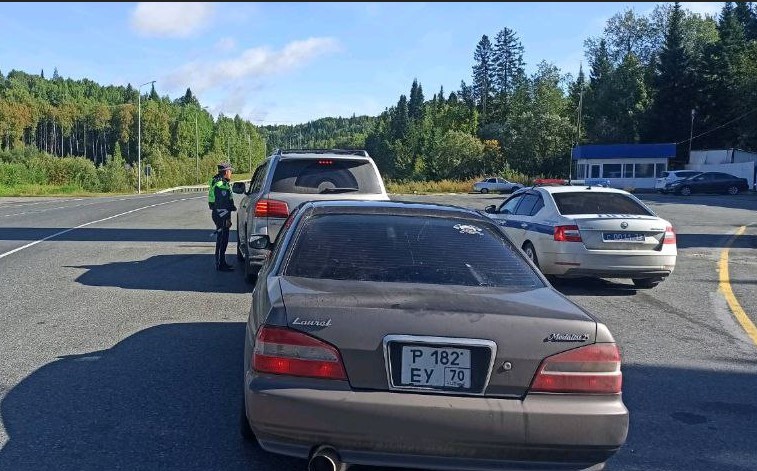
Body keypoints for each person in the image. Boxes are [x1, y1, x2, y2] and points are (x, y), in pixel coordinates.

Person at [208, 162, 237, 271]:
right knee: (222, 240)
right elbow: (222, 205)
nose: (231, 174)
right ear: (226, 172)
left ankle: (221, 262)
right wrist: (227, 219)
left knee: (221, 238)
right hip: (221, 215)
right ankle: (220, 264)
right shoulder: (221, 185)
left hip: (218, 214)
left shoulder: (218, 181)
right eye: (230, 171)